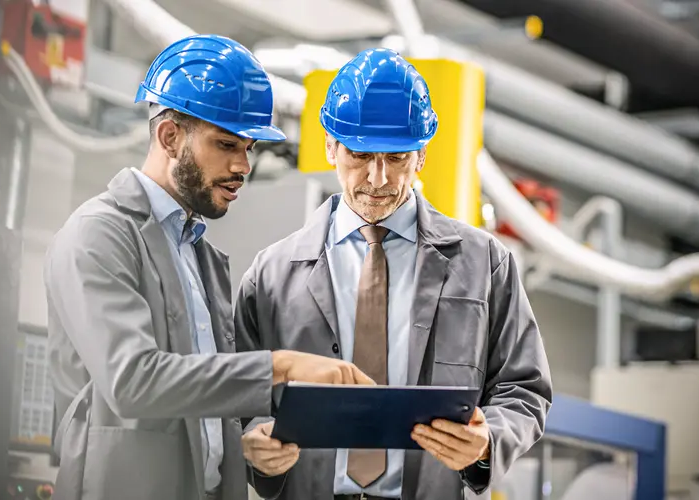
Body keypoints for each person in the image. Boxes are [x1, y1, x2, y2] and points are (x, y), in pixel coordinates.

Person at [44, 35, 373, 500]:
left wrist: (243, 446)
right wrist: (278, 366)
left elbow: (195, 406)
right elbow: (134, 381)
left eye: (249, 148)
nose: (243, 166)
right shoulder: (99, 234)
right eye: (226, 145)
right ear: (169, 136)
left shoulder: (200, 255)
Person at [235, 48, 553, 500]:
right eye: (360, 154)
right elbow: (234, 399)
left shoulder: (485, 265)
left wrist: (488, 442)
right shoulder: (271, 275)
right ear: (330, 146)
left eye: (397, 158)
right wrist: (251, 445)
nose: (378, 178)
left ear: (422, 156)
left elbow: (525, 388)